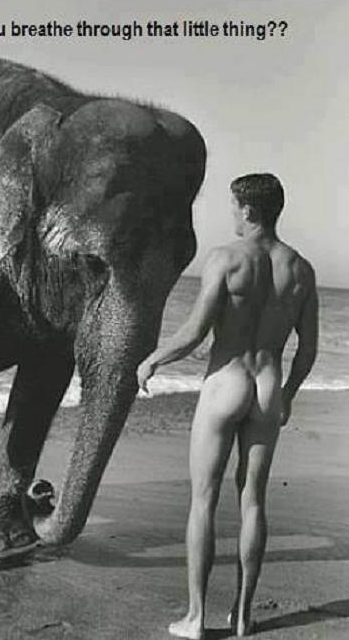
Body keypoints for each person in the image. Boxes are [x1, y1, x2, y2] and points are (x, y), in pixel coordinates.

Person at [137, 173, 318, 638]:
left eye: (234, 206)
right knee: (253, 499)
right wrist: (289, 393)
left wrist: (153, 359)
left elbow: (195, 332)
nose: (232, 215)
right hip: (267, 386)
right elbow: (308, 349)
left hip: (226, 383)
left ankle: (196, 617)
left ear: (249, 210)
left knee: (203, 500)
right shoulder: (301, 270)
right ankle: (242, 615)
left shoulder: (226, 258)